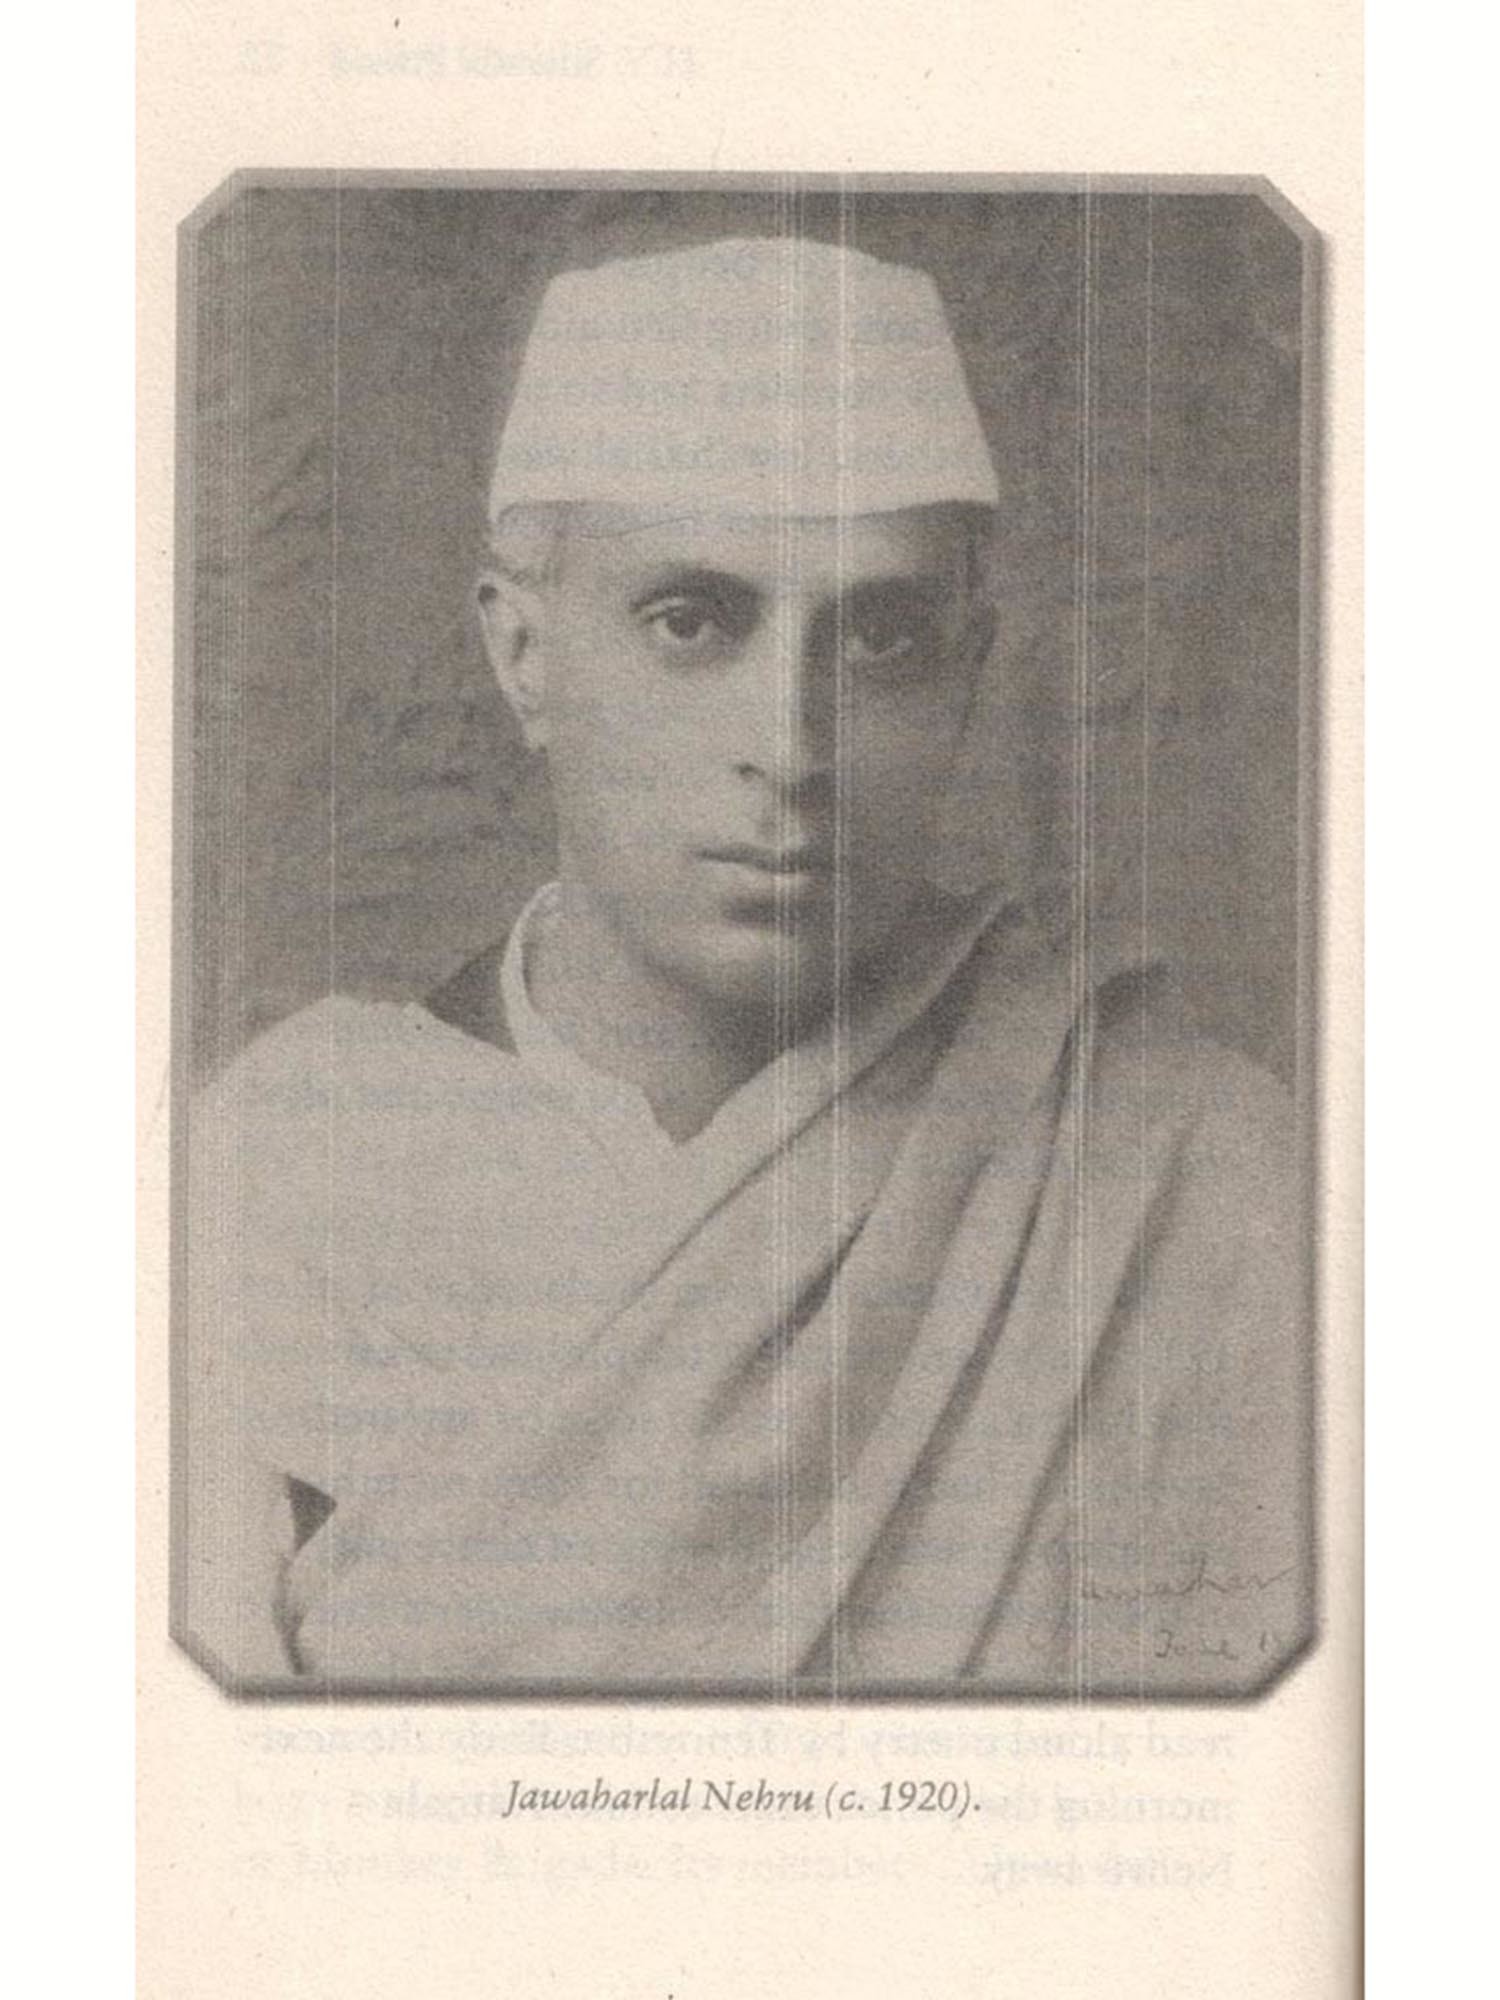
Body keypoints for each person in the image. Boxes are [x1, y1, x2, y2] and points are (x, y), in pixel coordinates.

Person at [182, 234, 1310, 1695]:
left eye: (882, 639)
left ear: (971, 671)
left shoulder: (1189, 1173)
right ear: (524, 655)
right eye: (692, 623)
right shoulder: (283, 1172)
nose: (790, 744)